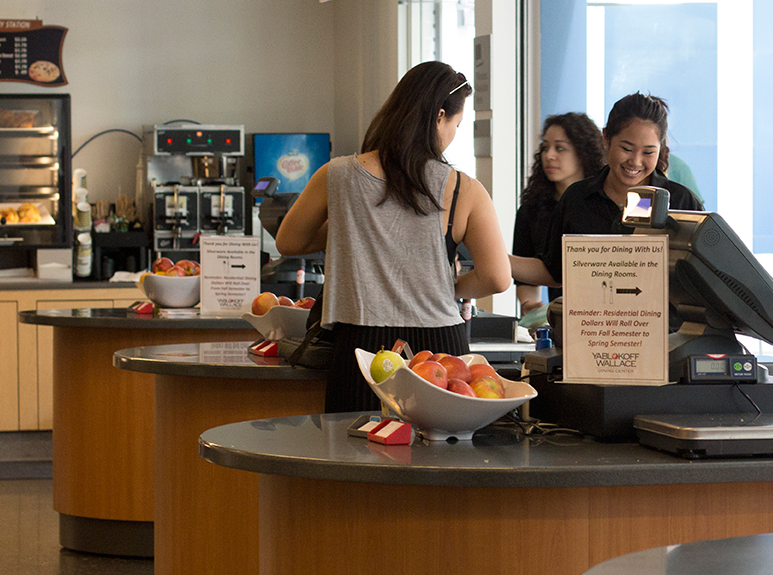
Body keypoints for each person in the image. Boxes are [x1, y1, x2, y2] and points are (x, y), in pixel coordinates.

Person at [276, 61, 512, 413]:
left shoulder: (337, 174)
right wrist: (454, 287)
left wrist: (354, 230)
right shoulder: (465, 188)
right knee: (442, 458)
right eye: (456, 125)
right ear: (439, 116)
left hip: (361, 345)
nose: (453, 135)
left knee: (358, 456)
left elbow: (289, 242)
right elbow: (497, 277)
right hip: (441, 348)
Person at [509, 92, 704, 288]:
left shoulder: (681, 203)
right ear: (606, 139)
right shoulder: (578, 199)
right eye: (626, 149)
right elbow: (554, 272)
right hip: (591, 318)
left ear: (660, 148)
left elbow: (705, 277)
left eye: (648, 152)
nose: (635, 161)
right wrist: (493, 258)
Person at [512, 112, 604, 315]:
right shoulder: (530, 210)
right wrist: (529, 306)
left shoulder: (602, 203)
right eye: (545, 148)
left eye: (560, 148)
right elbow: (526, 277)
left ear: (583, 153)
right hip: (560, 319)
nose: (549, 155)